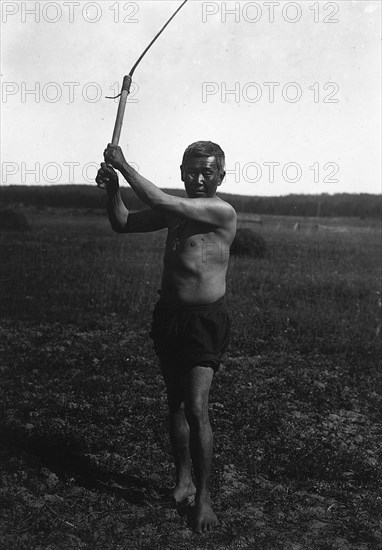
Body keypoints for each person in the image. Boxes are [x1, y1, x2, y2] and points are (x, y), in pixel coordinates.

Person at [96, 141, 237, 533]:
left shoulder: (220, 211)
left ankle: (204, 500)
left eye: (208, 171)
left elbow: (158, 198)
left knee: (195, 407)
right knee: (175, 405)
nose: (199, 178)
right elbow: (122, 223)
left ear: (221, 176)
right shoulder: (174, 215)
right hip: (169, 318)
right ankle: (183, 483)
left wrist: (123, 165)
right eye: (192, 171)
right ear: (181, 171)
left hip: (203, 322)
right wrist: (112, 191)